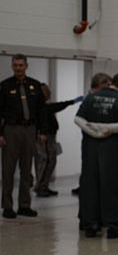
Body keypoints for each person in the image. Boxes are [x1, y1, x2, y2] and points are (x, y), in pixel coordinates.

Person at [74, 72, 118, 239]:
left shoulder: (91, 98)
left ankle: (91, 226)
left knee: (90, 186)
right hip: (112, 149)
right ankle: (113, 226)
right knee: (111, 187)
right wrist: (105, 130)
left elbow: (78, 119)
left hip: (90, 148)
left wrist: (94, 130)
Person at [1, 54, 47, 219]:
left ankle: (24, 205)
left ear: (26, 66)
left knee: (27, 169)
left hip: (30, 130)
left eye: (21, 65)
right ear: (12, 66)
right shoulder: (5, 86)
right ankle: (7, 206)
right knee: (8, 169)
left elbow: (42, 110)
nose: (18, 68)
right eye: (15, 65)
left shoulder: (34, 85)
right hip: (11, 130)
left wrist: (42, 131)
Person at [33, 83, 83, 197]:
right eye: (46, 91)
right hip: (44, 136)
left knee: (51, 161)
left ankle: (44, 186)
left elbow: (54, 107)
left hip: (50, 136)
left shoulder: (43, 106)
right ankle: (40, 186)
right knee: (46, 161)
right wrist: (71, 102)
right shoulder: (39, 106)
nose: (49, 93)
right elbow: (55, 107)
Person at [72, 73, 112, 196]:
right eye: (108, 85)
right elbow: (82, 121)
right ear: (101, 85)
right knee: (90, 170)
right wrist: (98, 133)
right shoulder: (89, 100)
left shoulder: (97, 99)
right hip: (92, 140)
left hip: (102, 140)